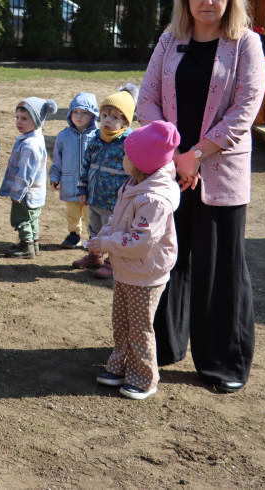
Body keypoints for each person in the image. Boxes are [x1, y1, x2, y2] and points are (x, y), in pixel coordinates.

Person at [137, 0, 265, 395]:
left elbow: (245, 110)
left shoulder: (246, 44)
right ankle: (163, 345)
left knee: (219, 269)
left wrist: (196, 154)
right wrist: (173, 155)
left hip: (219, 174)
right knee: (166, 260)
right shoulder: (170, 41)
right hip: (170, 171)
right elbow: (147, 99)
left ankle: (221, 361)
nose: (208, 0)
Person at [89, 121, 181, 400]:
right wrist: (102, 236)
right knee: (122, 322)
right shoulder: (132, 184)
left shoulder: (153, 199)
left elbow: (140, 241)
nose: (123, 158)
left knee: (140, 328)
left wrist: (106, 242)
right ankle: (119, 366)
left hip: (145, 273)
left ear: (141, 162)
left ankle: (145, 379)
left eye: (127, 155)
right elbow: (118, 222)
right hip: (126, 268)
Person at [74, 84, 138, 279]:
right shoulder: (95, 139)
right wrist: (83, 188)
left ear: (125, 121)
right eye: (104, 116)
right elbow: (85, 165)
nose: (108, 121)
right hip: (94, 196)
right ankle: (94, 256)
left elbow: (134, 172)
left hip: (115, 200)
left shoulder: (129, 142)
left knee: (113, 231)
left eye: (115, 117)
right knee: (94, 228)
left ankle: (113, 262)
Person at [0, 97, 58, 259]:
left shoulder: (30, 145)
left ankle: (26, 247)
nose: (19, 122)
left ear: (37, 120)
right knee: (32, 218)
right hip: (34, 193)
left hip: (25, 193)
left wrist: (17, 193)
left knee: (21, 219)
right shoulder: (33, 139)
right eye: (17, 117)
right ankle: (34, 244)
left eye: (24, 119)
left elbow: (26, 173)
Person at [50, 92, 99, 249]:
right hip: (69, 182)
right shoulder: (63, 136)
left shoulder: (98, 136)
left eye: (84, 112)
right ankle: (74, 234)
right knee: (72, 213)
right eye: (76, 112)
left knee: (90, 214)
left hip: (90, 186)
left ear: (93, 115)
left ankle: (93, 236)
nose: (79, 116)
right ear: (70, 113)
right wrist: (54, 176)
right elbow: (57, 159)